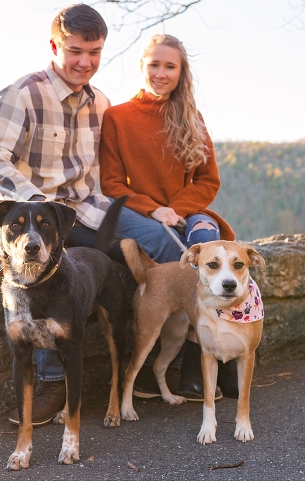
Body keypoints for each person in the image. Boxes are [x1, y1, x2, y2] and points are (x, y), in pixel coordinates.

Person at [0, 4, 112, 426]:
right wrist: (36, 205)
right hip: (11, 217)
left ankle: (174, 365)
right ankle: (52, 380)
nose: (85, 62)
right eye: (75, 51)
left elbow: (97, 177)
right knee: (55, 260)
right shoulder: (23, 93)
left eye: (95, 52)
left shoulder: (100, 103)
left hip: (76, 211)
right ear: (54, 46)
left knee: (142, 241)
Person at [99, 33, 239, 400]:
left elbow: (209, 180)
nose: (161, 73)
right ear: (143, 66)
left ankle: (203, 359)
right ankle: (197, 364)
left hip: (186, 209)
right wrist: (155, 209)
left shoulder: (191, 116)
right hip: (140, 210)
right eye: (154, 64)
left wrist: (178, 207)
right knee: (171, 246)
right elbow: (112, 183)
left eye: (169, 66)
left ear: (181, 72)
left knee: (209, 243)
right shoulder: (118, 118)